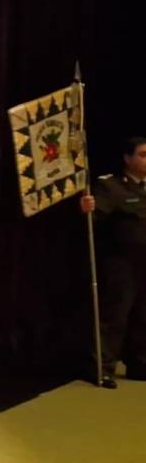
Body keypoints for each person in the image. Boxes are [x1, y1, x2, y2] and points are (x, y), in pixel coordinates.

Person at [79, 136, 146, 388]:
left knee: (144, 316)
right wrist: (86, 209)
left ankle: (140, 364)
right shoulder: (111, 186)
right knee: (114, 317)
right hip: (122, 264)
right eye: (143, 155)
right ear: (127, 158)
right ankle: (102, 367)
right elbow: (94, 219)